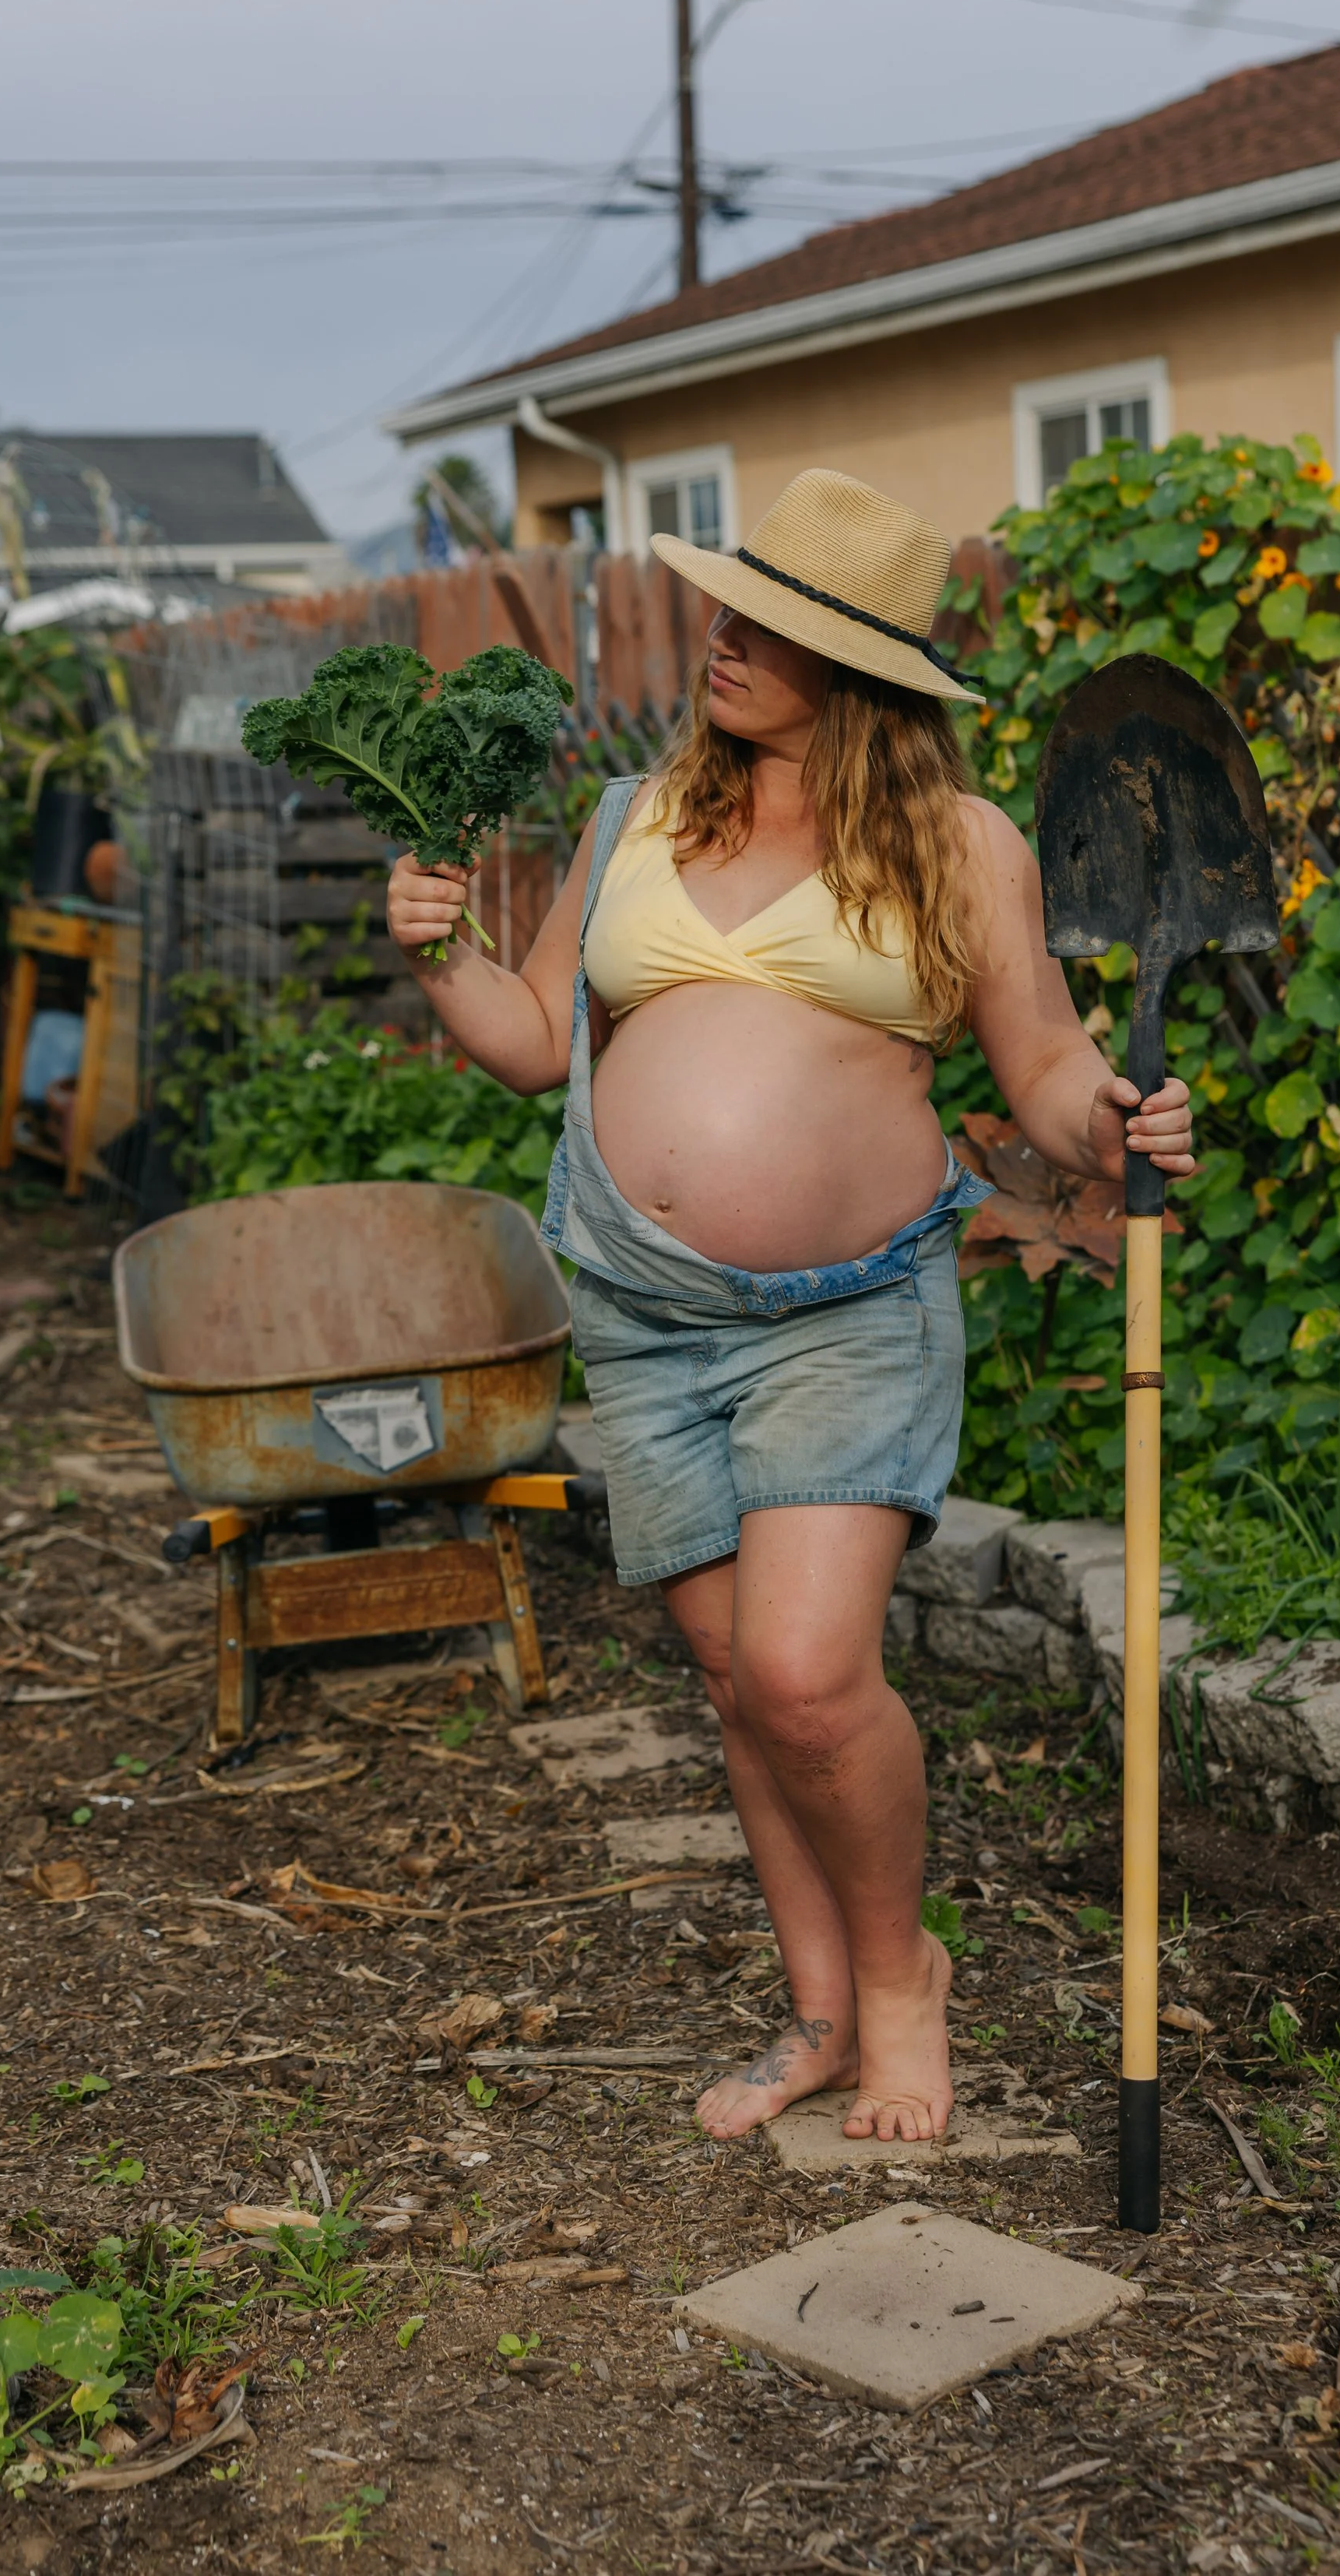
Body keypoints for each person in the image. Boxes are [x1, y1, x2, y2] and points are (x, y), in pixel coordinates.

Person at [385, 469, 1194, 2145]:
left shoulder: (957, 846)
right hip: (641, 1305)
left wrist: (1107, 1123)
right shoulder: (633, 818)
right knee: (737, 1684)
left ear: (866, 671)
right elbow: (541, 1041)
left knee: (810, 1674)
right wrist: (437, 955)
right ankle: (816, 2012)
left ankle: (902, 1980)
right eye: (728, 608)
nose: (723, 641)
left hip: (848, 1313)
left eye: (773, 628)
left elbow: (1036, 1064)